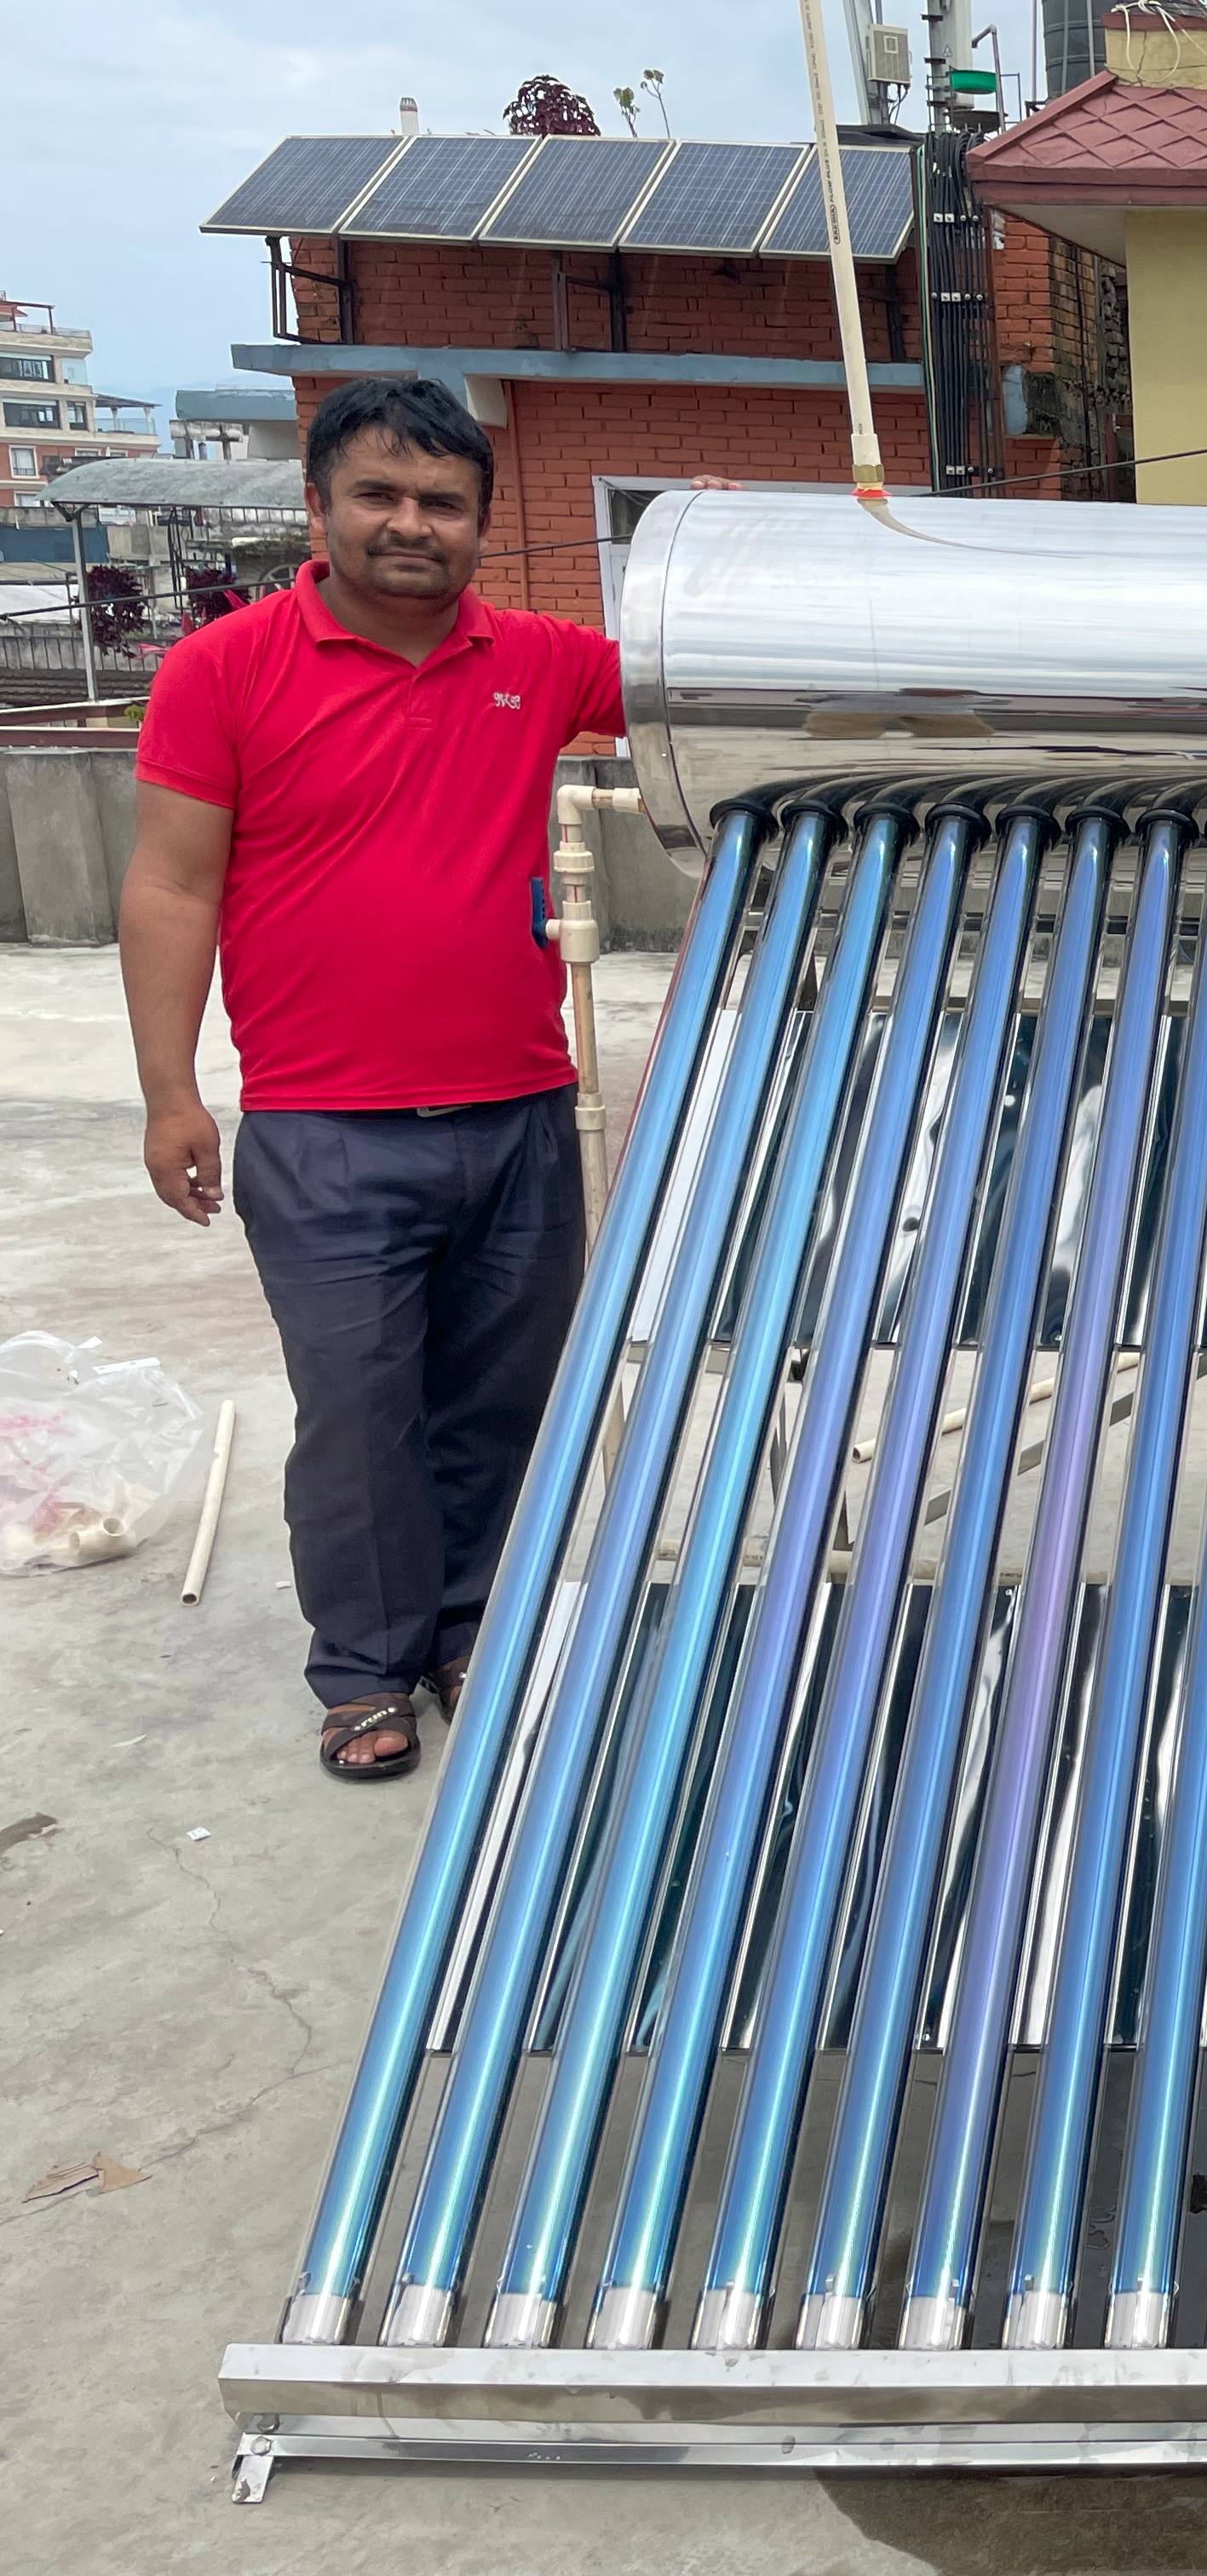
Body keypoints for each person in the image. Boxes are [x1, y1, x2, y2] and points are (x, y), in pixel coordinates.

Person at [119, 374, 716, 1780]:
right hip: (328, 1129)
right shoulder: (226, 670)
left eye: (443, 503)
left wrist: (745, 563)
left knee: (499, 1401)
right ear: (318, 507)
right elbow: (167, 884)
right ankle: (364, 1664)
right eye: (379, 494)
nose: (411, 524)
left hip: (515, 1110)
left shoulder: (536, 659)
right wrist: (169, 1089)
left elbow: (701, 682)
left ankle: (470, 1626)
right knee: (359, 1410)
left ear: (481, 527)